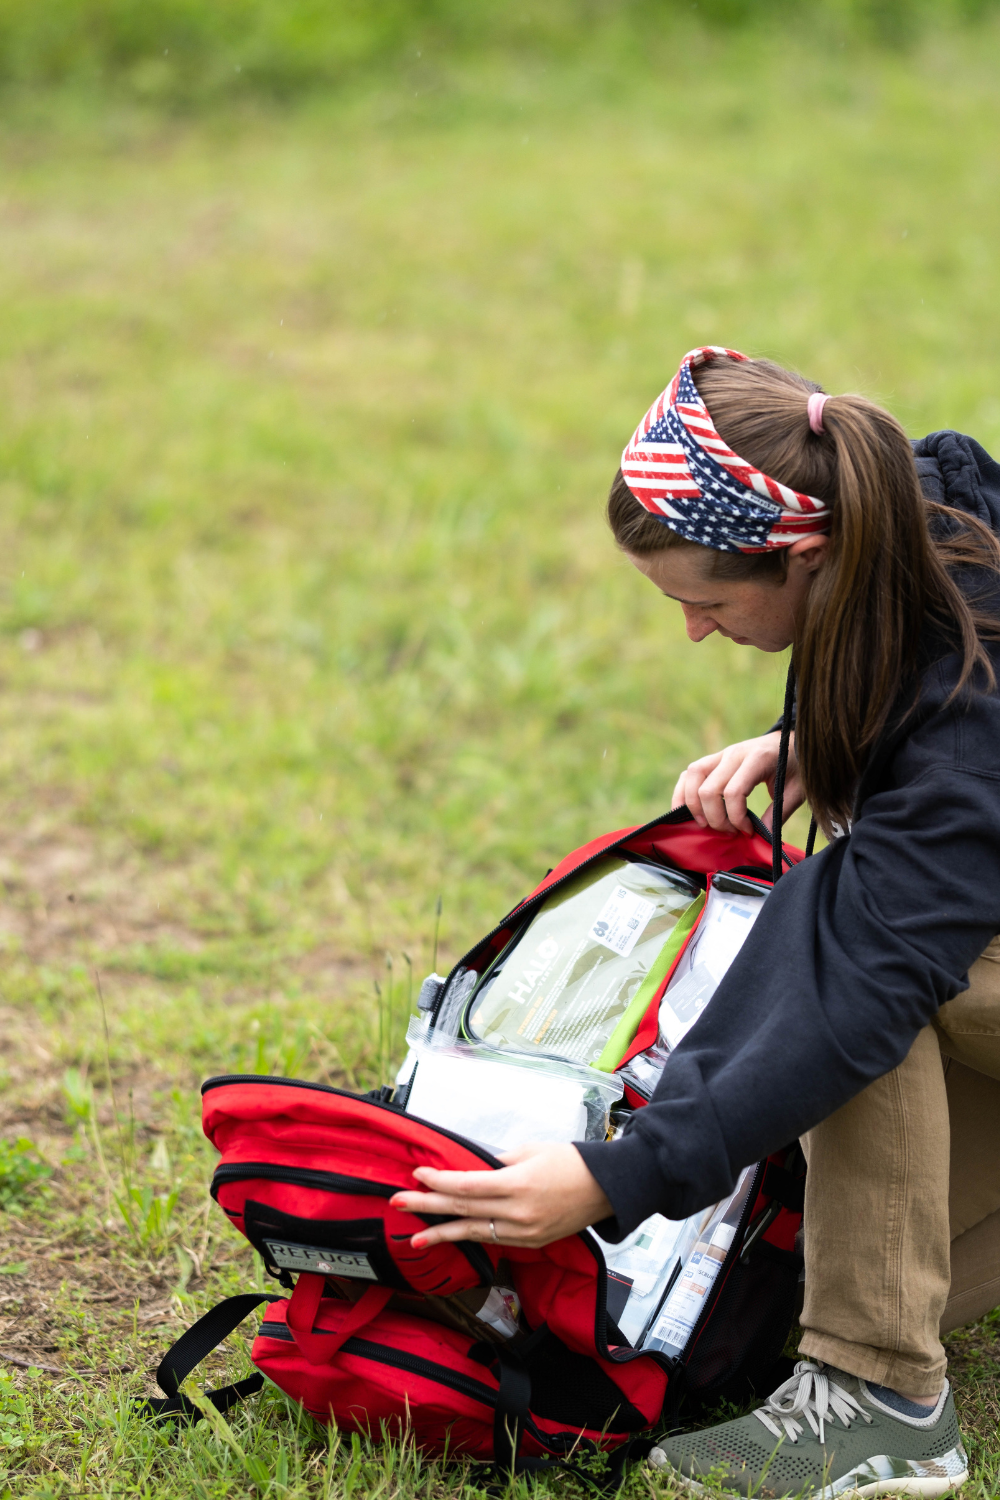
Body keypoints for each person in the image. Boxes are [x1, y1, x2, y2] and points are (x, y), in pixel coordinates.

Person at [391, 345, 1000, 1497]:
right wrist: (813, 743)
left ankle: (880, 1405)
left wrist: (621, 1172)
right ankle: (854, 1343)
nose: (694, 633)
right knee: (768, 1310)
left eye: (706, 603)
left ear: (804, 551)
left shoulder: (966, 706)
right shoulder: (915, 533)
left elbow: (869, 951)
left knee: (843, 965)